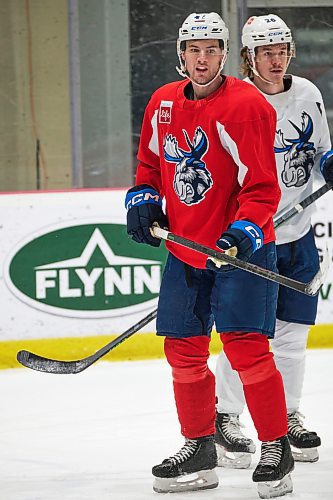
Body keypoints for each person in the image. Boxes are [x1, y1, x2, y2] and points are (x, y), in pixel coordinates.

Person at [125, 12, 294, 498]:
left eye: (212, 49)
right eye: (194, 49)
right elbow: (150, 165)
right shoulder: (162, 103)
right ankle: (198, 446)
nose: (203, 59)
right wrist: (141, 197)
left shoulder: (246, 105)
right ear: (181, 54)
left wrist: (243, 229)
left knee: (246, 349)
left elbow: (263, 185)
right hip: (186, 250)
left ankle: (276, 448)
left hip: (241, 253)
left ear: (225, 54)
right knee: (182, 350)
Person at [215, 14, 333, 470]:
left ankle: (287, 414)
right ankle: (225, 415)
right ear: (248, 56)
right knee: (244, 337)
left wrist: (330, 162)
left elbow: (319, 152)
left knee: (292, 338)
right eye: (266, 52)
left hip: (299, 236)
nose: (276, 59)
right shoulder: (234, 100)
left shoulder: (308, 93)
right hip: (251, 239)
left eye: (281, 50)